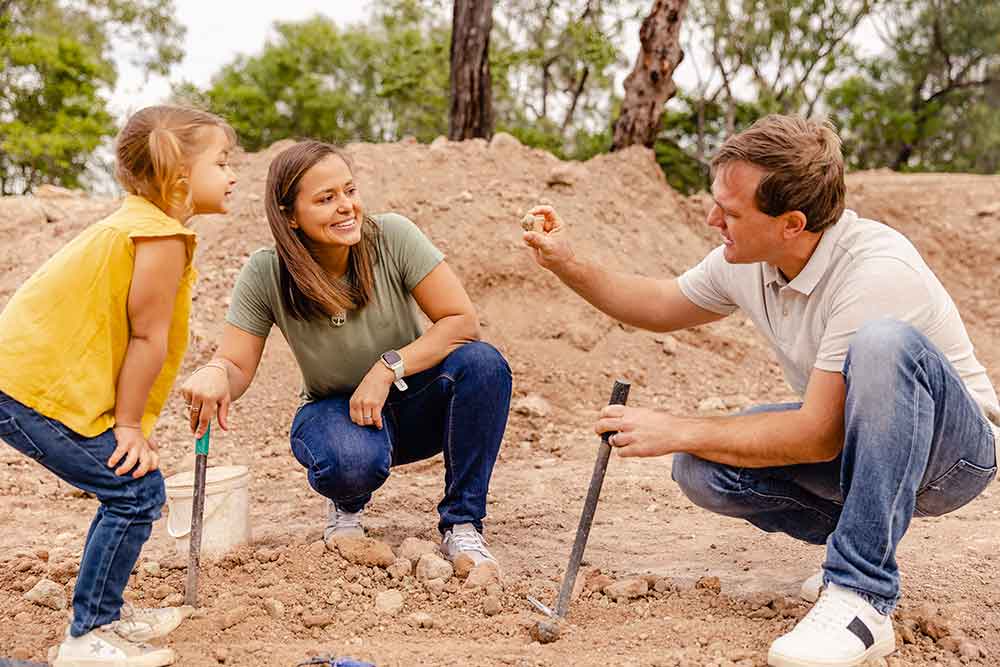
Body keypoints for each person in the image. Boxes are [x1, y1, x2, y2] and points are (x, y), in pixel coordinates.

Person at [522, 114, 999, 667]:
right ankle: (859, 541)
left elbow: (817, 435)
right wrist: (566, 262)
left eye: (730, 212)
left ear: (791, 223)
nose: (711, 219)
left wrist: (677, 427)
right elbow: (658, 304)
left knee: (884, 343)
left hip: (952, 458)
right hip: (860, 442)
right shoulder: (751, 259)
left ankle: (861, 596)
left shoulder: (876, 270)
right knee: (702, 468)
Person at [180, 140, 511, 572]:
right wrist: (214, 372)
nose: (346, 207)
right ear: (290, 216)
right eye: (326, 199)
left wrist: (387, 368)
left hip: (414, 405)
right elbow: (236, 364)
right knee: (350, 462)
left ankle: (463, 524)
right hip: (336, 414)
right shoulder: (267, 273)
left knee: (483, 364)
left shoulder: (392, 236)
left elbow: (460, 323)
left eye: (350, 191)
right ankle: (347, 507)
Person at [0, 105, 238, 667]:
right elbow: (146, 340)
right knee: (133, 491)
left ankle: (105, 613)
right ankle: (88, 637)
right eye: (223, 163)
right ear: (180, 178)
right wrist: (128, 426)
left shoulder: (141, 224)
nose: (232, 177)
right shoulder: (157, 238)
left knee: (136, 489)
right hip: (26, 387)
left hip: (32, 380)